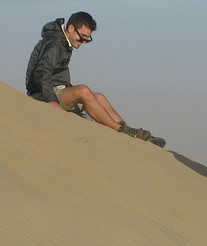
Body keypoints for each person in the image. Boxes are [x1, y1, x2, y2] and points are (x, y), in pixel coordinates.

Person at [25, 12, 165, 147]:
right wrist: (51, 99)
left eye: (87, 39)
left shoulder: (64, 43)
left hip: (56, 91)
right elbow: (41, 73)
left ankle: (129, 131)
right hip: (42, 94)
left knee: (99, 97)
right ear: (71, 28)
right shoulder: (54, 43)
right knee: (84, 91)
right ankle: (119, 130)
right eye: (82, 37)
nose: (84, 41)